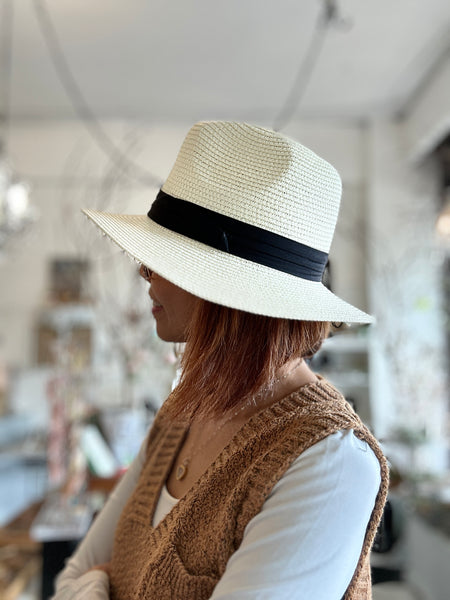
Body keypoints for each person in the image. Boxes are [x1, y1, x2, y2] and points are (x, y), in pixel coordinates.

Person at [53, 121, 388, 599]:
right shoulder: (180, 415)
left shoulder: (328, 464)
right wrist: (89, 582)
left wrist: (100, 585)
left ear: (229, 298)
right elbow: (69, 576)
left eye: (168, 258)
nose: (144, 269)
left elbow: (78, 585)